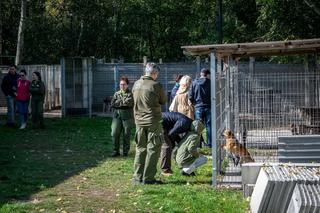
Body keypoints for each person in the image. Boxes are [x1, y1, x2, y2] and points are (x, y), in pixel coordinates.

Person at [132, 62, 167, 185]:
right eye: (157, 74)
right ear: (154, 73)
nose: (157, 76)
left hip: (139, 121)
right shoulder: (156, 85)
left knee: (140, 148)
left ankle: (137, 177)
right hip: (152, 121)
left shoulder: (136, 84)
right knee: (153, 148)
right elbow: (163, 100)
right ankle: (148, 178)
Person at [160, 112, 193, 176]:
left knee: (171, 145)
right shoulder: (185, 123)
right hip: (159, 122)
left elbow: (175, 133)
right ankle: (165, 171)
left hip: (164, 123)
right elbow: (171, 134)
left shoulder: (187, 122)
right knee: (167, 146)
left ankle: (167, 166)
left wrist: (180, 144)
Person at [110, 76, 134, 157]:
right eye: (121, 84)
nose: (122, 86)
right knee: (114, 133)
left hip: (127, 117)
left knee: (126, 134)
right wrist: (122, 102)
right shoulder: (116, 93)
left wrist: (118, 102)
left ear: (127, 85)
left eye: (124, 84)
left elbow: (128, 104)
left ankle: (125, 152)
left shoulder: (130, 94)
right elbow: (113, 104)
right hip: (117, 117)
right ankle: (115, 151)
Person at [189, 68, 212, 148]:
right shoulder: (211, 82)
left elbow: (190, 96)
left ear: (201, 74)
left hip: (198, 107)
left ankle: (198, 144)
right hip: (209, 106)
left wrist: (194, 104)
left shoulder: (194, 82)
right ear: (208, 74)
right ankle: (209, 144)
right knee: (209, 126)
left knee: (198, 126)